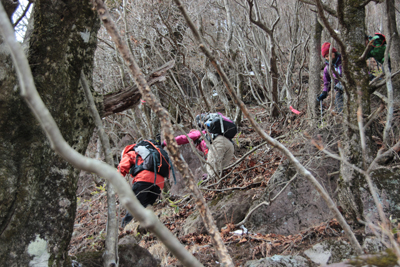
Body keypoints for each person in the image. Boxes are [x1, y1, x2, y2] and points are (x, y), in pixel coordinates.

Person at [163, 113, 235, 180]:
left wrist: (165, 142)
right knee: (221, 170)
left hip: (218, 143)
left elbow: (183, 138)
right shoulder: (211, 133)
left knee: (212, 170)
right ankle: (220, 188)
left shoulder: (199, 132)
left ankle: (215, 190)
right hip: (230, 144)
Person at [118, 139, 165, 228]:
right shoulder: (152, 153)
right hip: (159, 183)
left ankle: (125, 229)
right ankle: (144, 230)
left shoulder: (132, 153)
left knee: (133, 206)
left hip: (144, 179)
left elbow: (122, 167)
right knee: (145, 207)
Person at [317, 42, 343, 113]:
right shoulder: (327, 68)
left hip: (350, 88)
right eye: (326, 56)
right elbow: (327, 83)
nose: (329, 57)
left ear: (334, 52)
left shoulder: (344, 61)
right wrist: (324, 92)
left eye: (330, 54)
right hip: (339, 91)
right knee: (340, 110)